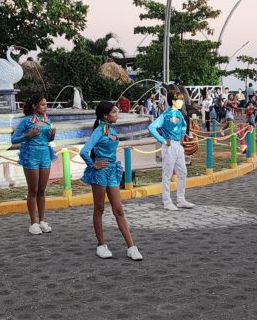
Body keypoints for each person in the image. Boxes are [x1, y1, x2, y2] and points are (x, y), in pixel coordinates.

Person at [80, 102, 142, 260]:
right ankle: (101, 245)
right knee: (99, 209)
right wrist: (93, 164)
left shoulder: (111, 130)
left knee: (119, 210)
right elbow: (84, 151)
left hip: (112, 172)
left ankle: (131, 247)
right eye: (114, 112)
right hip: (100, 173)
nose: (117, 114)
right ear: (105, 115)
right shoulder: (99, 131)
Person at [11, 96, 57, 235]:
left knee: (42, 190)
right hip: (31, 155)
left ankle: (42, 221)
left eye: (46, 104)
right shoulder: (26, 121)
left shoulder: (47, 120)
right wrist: (28, 136)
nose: (45, 107)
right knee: (33, 190)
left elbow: (47, 139)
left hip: (45, 154)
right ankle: (33, 222)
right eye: (42, 104)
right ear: (34, 106)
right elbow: (13, 139)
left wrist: (52, 136)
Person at [148, 90, 195, 211]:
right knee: (167, 174)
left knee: (183, 172)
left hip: (178, 146)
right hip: (169, 147)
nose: (182, 102)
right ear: (173, 101)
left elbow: (184, 125)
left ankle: (181, 199)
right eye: (180, 100)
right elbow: (152, 127)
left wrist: (182, 135)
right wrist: (163, 140)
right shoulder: (165, 115)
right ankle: (167, 201)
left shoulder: (179, 114)